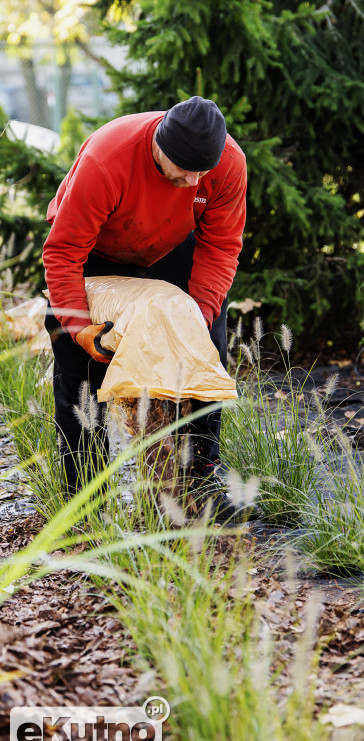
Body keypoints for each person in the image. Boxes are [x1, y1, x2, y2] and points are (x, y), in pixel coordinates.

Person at [42, 96, 247, 511]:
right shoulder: (107, 159)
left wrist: (197, 319)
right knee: (76, 361)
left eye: (202, 172)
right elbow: (63, 252)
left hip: (171, 244)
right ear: (159, 146)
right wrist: (81, 328)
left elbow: (221, 246)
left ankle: (201, 483)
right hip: (98, 248)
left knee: (207, 350)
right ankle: (83, 495)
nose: (194, 182)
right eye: (185, 171)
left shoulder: (228, 164)